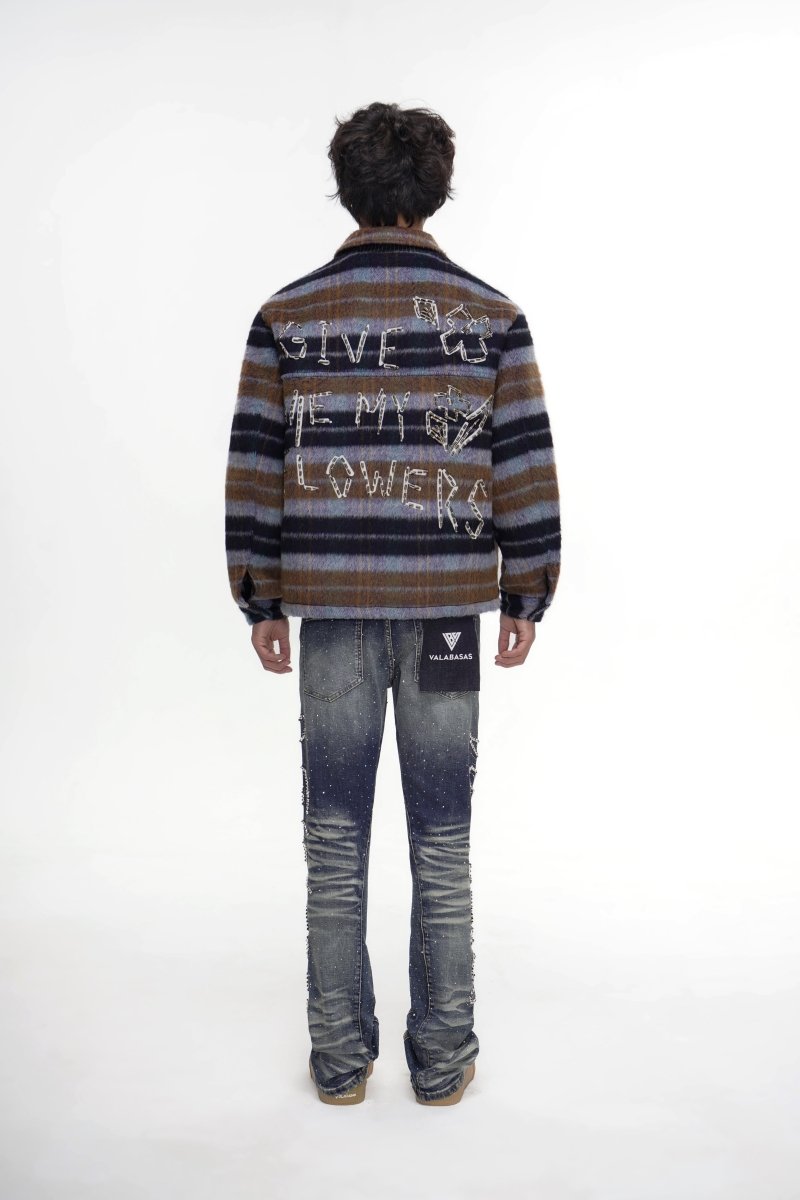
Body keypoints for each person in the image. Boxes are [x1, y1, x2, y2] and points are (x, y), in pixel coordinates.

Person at [224, 101, 561, 1106]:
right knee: (441, 837)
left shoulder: (286, 317)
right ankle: (443, 1060)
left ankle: (339, 1063)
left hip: (329, 608)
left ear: (346, 189)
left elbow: (254, 465)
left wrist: (259, 597)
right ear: (436, 191)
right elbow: (523, 462)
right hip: (448, 610)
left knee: (334, 840)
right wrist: (527, 588)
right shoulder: (491, 318)